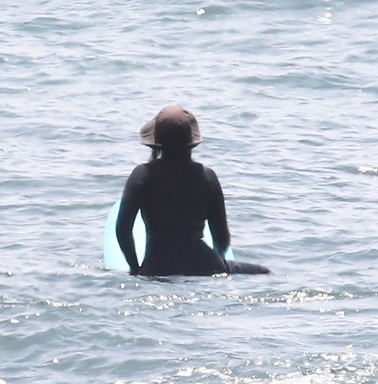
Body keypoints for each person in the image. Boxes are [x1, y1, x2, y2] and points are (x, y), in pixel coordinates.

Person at [115, 105, 270, 277]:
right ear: (191, 144)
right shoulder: (207, 177)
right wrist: (219, 262)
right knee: (264, 272)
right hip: (207, 266)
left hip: (158, 267)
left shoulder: (142, 175)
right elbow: (221, 237)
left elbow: (122, 229)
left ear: (157, 143)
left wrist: (135, 268)